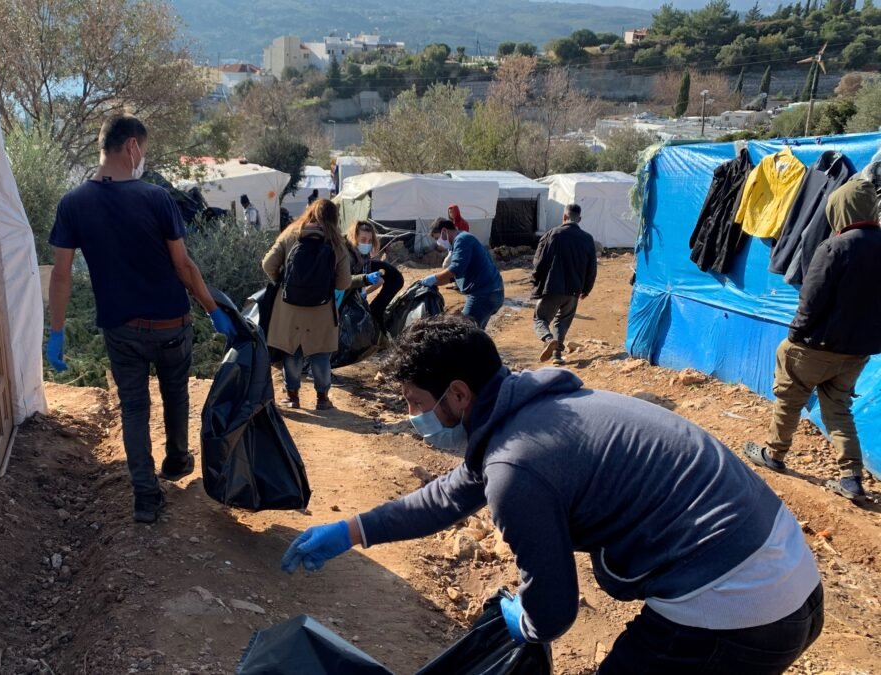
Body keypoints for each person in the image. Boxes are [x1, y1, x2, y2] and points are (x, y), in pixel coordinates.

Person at [282, 315, 823, 674]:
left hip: (734, 610)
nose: (411, 417)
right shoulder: (538, 412)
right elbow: (450, 495)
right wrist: (351, 531)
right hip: (792, 578)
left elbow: (555, 609)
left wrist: (527, 618)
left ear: (459, 393)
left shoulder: (518, 466)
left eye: (414, 401)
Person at [45, 113, 238, 524]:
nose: (143, 158)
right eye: (143, 150)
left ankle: (146, 497)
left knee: (134, 408)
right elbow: (184, 266)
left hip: (121, 328)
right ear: (132, 146)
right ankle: (176, 459)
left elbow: (61, 273)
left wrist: (56, 331)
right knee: (175, 393)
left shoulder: (73, 203)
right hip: (171, 324)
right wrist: (213, 309)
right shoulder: (156, 198)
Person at [745, 178, 881, 502]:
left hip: (816, 346)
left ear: (840, 208)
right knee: (838, 410)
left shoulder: (836, 246)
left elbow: (812, 298)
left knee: (789, 398)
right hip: (857, 352)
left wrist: (795, 337)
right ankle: (850, 478)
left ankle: (774, 455)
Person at [262, 199, 352, 411]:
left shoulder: (291, 233)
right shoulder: (336, 241)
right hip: (321, 308)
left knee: (292, 351)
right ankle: (322, 399)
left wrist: (282, 281)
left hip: (288, 306)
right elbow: (344, 282)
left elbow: (267, 264)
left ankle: (292, 396)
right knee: (320, 353)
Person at [531, 203, 597, 365]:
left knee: (540, 318)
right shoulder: (587, 239)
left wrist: (535, 283)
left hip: (552, 287)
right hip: (574, 290)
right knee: (562, 322)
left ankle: (548, 339)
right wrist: (586, 289)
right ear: (579, 219)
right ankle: (557, 356)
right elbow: (592, 268)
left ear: (564, 217)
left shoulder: (552, 235)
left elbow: (538, 262)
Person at [421, 219, 504, 329]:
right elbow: (455, 276)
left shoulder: (462, 240)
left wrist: (433, 278)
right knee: (476, 332)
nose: (438, 242)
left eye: (437, 238)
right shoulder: (462, 239)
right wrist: (435, 282)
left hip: (483, 295)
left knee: (464, 330)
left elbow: (456, 268)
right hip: (491, 292)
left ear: (444, 231)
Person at [346, 220, 403, 324]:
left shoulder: (365, 257)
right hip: (344, 300)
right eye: (363, 240)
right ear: (354, 238)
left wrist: (364, 292)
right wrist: (364, 281)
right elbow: (343, 281)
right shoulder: (346, 258)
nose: (367, 244)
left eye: (369, 241)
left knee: (395, 277)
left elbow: (379, 280)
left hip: (357, 296)